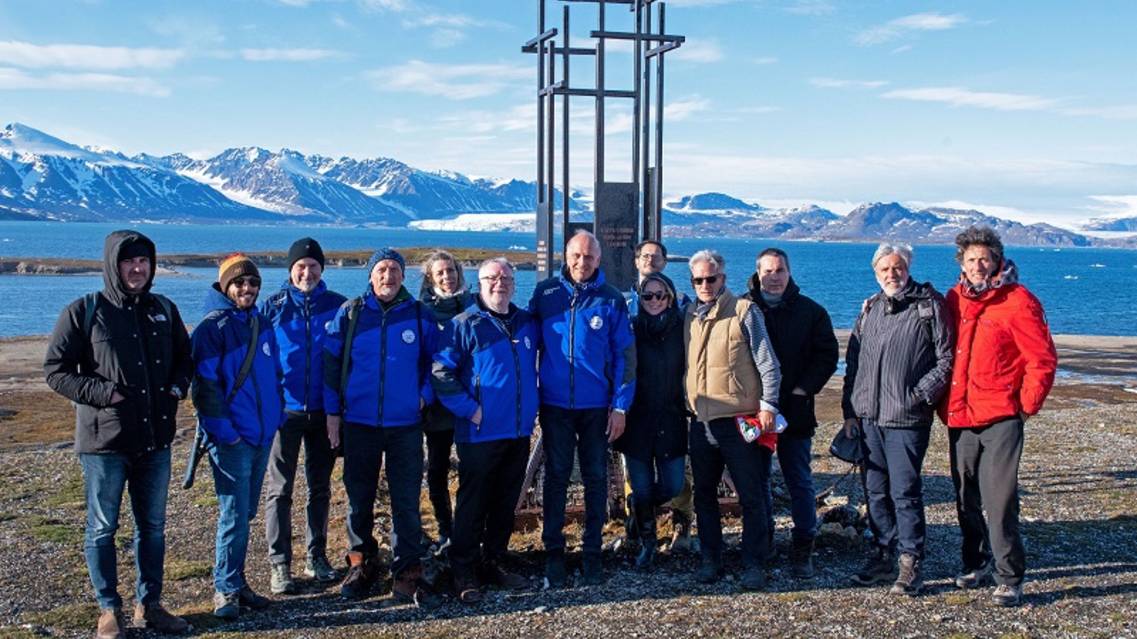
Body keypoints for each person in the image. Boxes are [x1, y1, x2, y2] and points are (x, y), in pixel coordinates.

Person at [44, 230, 192, 639]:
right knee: (102, 528)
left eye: (144, 261)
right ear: (113, 264)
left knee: (153, 527)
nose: (137, 268)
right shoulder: (85, 311)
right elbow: (56, 371)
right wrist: (102, 392)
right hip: (104, 444)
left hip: (155, 440)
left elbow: (185, 357)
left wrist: (179, 386)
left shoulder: (163, 308)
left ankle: (151, 605)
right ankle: (109, 610)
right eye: (129, 261)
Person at [940, 226, 1056, 607]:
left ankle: (1010, 575)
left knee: (1000, 497)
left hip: (1002, 415)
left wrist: (1025, 406)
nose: (977, 265)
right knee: (964, 496)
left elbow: (1041, 360)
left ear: (997, 261)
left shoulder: (1019, 300)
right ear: (962, 262)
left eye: (984, 259)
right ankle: (976, 562)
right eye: (971, 259)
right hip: (961, 416)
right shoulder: (954, 298)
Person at [323, 248, 441, 608]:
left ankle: (407, 569)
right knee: (359, 498)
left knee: (406, 499)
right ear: (371, 275)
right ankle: (362, 561)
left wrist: (424, 394)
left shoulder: (419, 315)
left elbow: (439, 360)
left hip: (405, 424)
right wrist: (332, 415)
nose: (388, 276)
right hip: (359, 422)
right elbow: (330, 363)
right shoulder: (352, 313)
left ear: (403, 276)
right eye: (381, 270)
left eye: (394, 270)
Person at [842, 243, 953, 596]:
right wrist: (850, 410)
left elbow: (946, 358)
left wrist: (918, 396)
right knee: (874, 491)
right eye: (885, 269)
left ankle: (911, 560)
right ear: (876, 272)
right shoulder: (871, 308)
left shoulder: (929, 306)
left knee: (904, 492)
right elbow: (854, 362)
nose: (892, 274)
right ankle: (883, 552)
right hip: (869, 417)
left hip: (906, 419)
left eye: (898, 267)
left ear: (908, 267)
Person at [529, 229, 636, 587]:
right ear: (566, 255)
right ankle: (554, 554)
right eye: (576, 255)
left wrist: (620, 406)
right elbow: (525, 343)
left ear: (599, 260)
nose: (582, 262)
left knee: (595, 478)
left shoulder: (610, 300)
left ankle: (592, 553)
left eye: (589, 257)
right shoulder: (545, 295)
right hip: (555, 405)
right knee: (556, 477)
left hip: (596, 407)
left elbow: (626, 356)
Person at [432, 258, 539, 603]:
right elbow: (440, 373)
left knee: (505, 502)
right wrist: (471, 410)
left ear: (513, 283)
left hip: (518, 429)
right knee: (473, 502)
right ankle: (463, 567)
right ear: (479, 283)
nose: (499, 284)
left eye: (506, 278)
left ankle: (493, 559)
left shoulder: (525, 322)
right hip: (479, 431)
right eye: (492, 278)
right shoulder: (464, 324)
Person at [191, 253, 285, 618]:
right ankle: (226, 589)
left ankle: (237, 582)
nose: (247, 288)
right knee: (233, 514)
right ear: (226, 286)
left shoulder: (261, 324)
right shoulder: (211, 330)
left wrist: (274, 418)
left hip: (261, 435)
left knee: (244, 512)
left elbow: (274, 374)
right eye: (239, 283)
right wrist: (226, 434)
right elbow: (205, 390)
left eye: (252, 282)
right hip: (233, 439)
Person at [684, 249, 781, 590]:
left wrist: (768, 406)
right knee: (704, 495)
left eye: (712, 278)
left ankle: (754, 562)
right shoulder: (690, 317)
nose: (706, 285)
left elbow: (768, 363)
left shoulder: (744, 311)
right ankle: (712, 558)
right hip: (702, 422)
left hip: (740, 420)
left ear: (723, 278)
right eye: (699, 280)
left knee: (751, 495)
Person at [745, 247, 839, 578]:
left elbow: (827, 355)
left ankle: (803, 545)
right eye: (767, 271)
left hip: (795, 413)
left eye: (780, 270)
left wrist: (803, 389)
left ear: (789, 272)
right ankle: (764, 541)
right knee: (757, 482)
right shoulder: (743, 309)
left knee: (799, 480)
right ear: (758, 273)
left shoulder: (811, 312)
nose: (774, 277)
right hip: (752, 414)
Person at [260, 238, 347, 594]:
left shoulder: (338, 307)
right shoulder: (273, 307)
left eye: (313, 266)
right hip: (285, 413)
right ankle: (279, 564)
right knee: (279, 490)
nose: (307, 272)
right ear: (291, 269)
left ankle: (317, 556)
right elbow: (259, 359)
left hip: (324, 413)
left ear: (321, 269)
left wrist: (336, 411)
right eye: (301, 266)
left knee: (320, 488)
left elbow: (343, 362)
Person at [625, 240, 696, 553]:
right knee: (637, 481)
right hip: (635, 414)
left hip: (671, 412)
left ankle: (680, 523)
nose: (651, 260)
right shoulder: (623, 307)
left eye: (657, 256)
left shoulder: (683, 310)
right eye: (645, 256)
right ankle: (642, 534)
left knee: (676, 481)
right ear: (636, 260)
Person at [614, 272, 688, 570]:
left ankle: (638, 511)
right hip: (637, 421)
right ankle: (648, 543)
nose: (654, 301)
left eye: (661, 295)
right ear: (640, 299)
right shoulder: (630, 329)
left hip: (671, 418)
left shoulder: (684, 328)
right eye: (648, 296)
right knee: (642, 487)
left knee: (672, 484)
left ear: (670, 297)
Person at [418, 250, 474, 553]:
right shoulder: (421, 311)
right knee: (437, 470)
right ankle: (445, 529)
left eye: (451, 271)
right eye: (440, 273)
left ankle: (469, 528)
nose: (446, 277)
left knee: (472, 469)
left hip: (469, 405)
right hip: (436, 407)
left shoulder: (473, 305)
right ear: (430, 277)